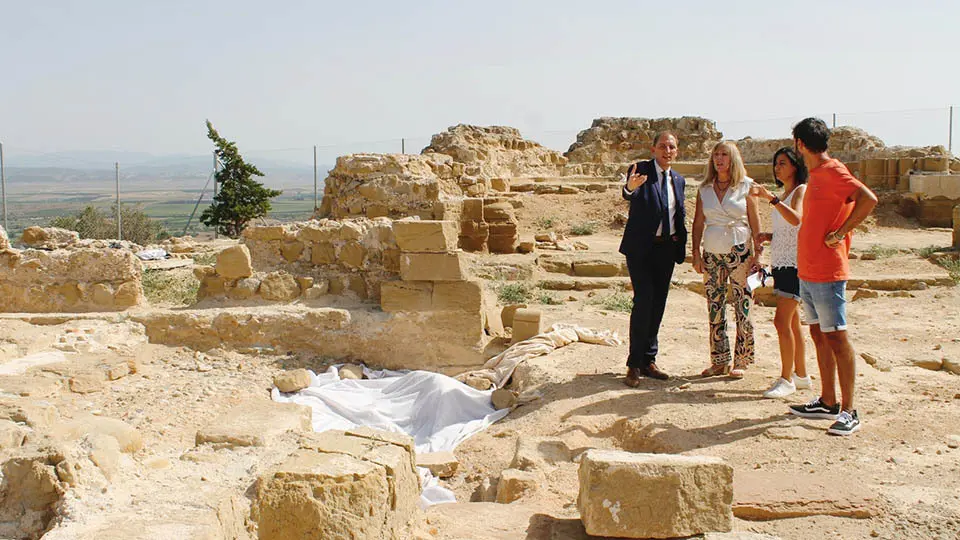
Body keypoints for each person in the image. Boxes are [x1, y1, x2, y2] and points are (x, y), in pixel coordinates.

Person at [787, 117, 877, 436]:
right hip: (808, 269)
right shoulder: (816, 174)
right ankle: (827, 401)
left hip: (828, 270)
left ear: (800, 143)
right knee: (818, 335)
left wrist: (840, 232)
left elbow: (868, 199)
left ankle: (849, 409)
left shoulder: (834, 170)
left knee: (837, 337)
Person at [618, 131, 688, 385]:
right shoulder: (640, 170)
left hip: (665, 250)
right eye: (662, 146)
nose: (666, 151)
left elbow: (679, 214)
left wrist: (681, 243)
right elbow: (629, 193)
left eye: (671, 147)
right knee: (644, 300)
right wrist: (629, 188)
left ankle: (649, 360)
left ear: (676, 151)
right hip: (640, 250)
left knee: (658, 304)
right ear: (653, 149)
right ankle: (634, 364)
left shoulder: (678, 180)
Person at [691, 141, 761, 379]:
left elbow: (755, 222)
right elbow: (698, 222)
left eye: (724, 155)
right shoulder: (705, 189)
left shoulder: (747, 186)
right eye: (716, 155)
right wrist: (696, 253)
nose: (719, 159)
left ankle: (742, 358)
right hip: (711, 252)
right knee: (715, 307)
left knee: (743, 304)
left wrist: (758, 254)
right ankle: (719, 361)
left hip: (740, 251)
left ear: (734, 159)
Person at [751, 147, 812, 398]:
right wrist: (770, 236)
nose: (778, 168)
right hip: (783, 263)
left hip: (796, 265)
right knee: (793, 322)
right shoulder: (786, 193)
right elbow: (790, 231)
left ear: (796, 166)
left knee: (781, 321)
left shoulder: (800, 191)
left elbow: (797, 220)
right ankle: (801, 375)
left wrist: (771, 199)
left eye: (783, 163)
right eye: (776, 163)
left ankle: (786, 379)